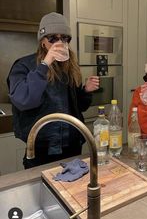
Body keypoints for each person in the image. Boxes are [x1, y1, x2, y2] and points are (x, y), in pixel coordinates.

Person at [7, 12, 99, 168]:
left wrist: (85, 91)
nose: (60, 42)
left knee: (72, 189)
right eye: (53, 38)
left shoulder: (69, 67)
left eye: (64, 38)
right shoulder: (23, 65)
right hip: (41, 149)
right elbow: (25, 100)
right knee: (42, 190)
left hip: (72, 145)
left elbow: (79, 107)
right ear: (43, 41)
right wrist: (45, 64)